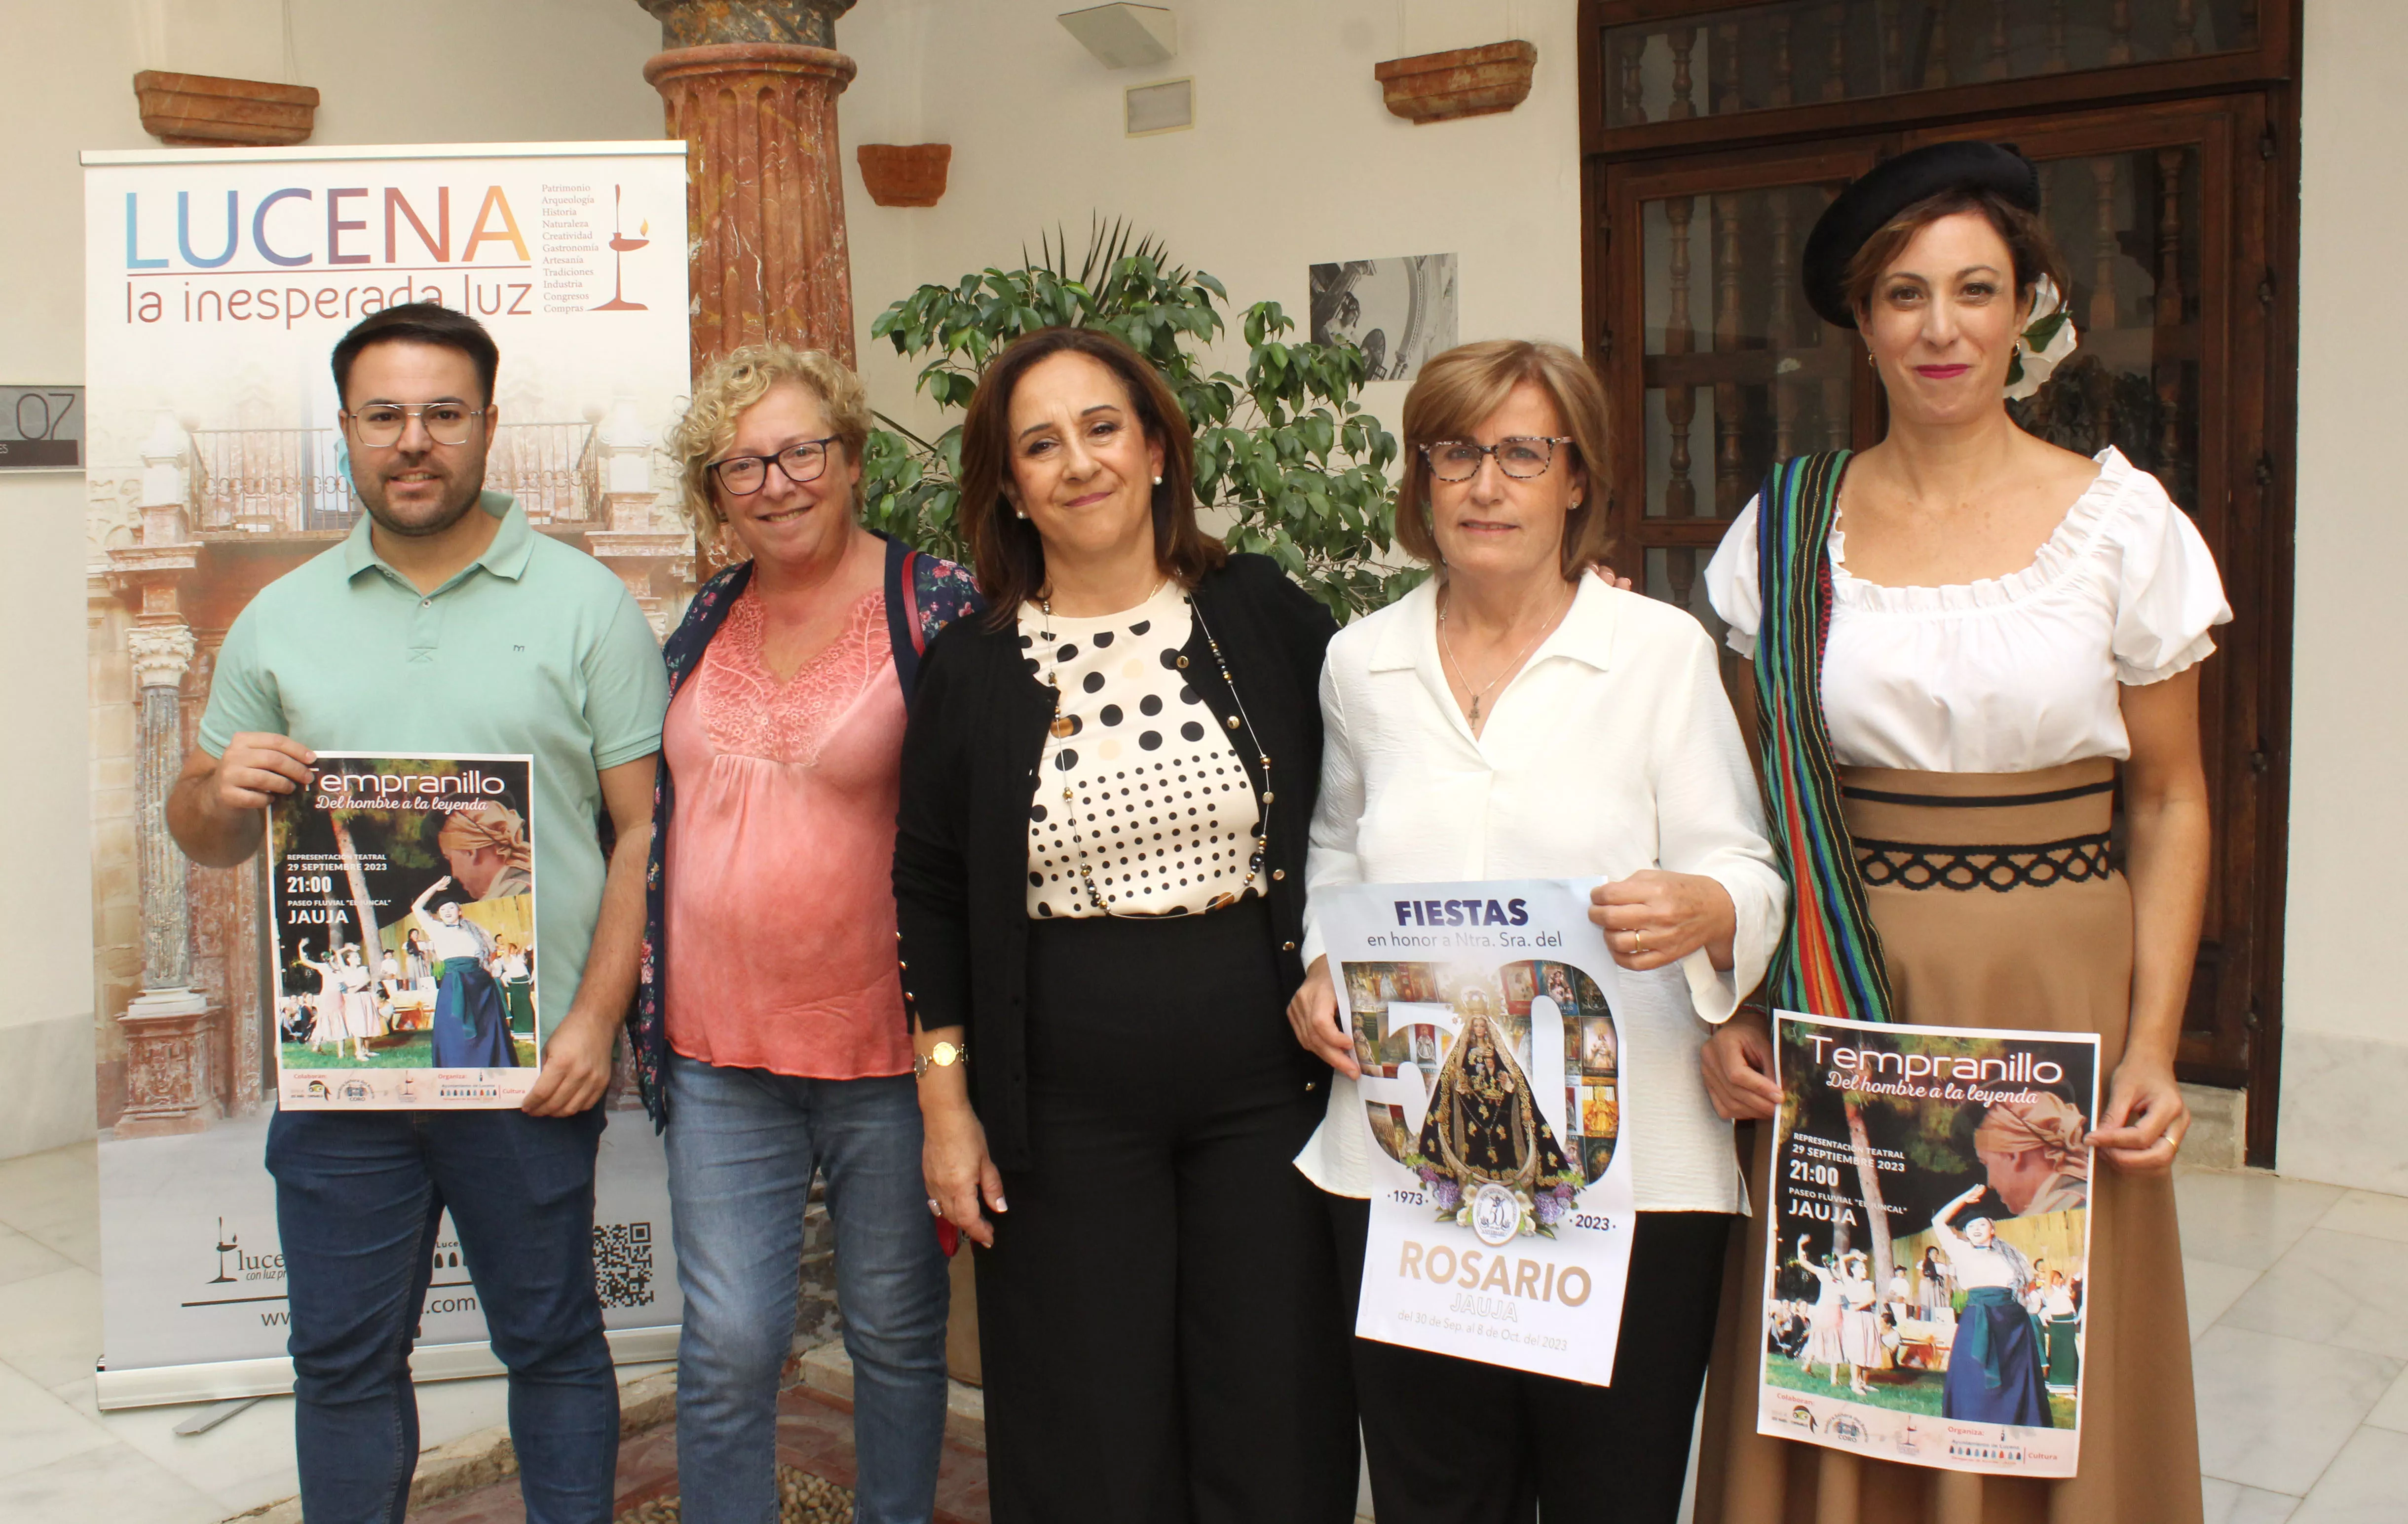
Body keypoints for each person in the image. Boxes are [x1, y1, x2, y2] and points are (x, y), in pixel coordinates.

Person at [1693, 142, 2223, 1523]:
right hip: (1847, 974)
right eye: (1906, 296)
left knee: (2035, 1312)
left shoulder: (2118, 525)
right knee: (1864, 1315)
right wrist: (1742, 1000)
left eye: (1976, 291)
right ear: (1862, 325)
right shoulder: (1789, 527)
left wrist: (2156, 1043)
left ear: (2028, 309)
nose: (1942, 329)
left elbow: (2168, 798)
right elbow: (1763, 794)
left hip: (2056, 979)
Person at [166, 302, 666, 1524]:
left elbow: (645, 829)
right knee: (340, 1365)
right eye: (384, 415)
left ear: (488, 426)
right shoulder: (279, 616)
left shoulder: (587, 603)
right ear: (345, 431)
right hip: (344, 1082)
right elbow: (205, 827)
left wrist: (596, 1024)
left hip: (525, 1067)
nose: (415, 441)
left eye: (444, 413)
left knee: (551, 1345)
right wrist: (215, 788)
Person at [1284, 339, 1786, 1524]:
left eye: (1522, 451)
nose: (1484, 483)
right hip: (1414, 1166)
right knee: (1433, 1488)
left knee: (1608, 1487)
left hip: (1627, 1168)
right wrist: (1319, 962)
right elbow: (1337, 849)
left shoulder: (1655, 653)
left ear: (1576, 480)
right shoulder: (1362, 664)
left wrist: (1708, 909)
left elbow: (1744, 866)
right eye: (1454, 451)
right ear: (1420, 479)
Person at [894, 326, 1356, 1524]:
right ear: (1008, 485)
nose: (1078, 462)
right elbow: (932, 891)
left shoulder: (1259, 611)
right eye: (1038, 445)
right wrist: (946, 1103)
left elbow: (1397, 714)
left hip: (1269, 1084)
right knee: (1088, 1421)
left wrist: (1570, 598)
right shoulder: (972, 669)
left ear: (1156, 448)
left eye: (1102, 429)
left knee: (1273, 1394)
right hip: (1059, 1101)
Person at [627, 343, 981, 1524]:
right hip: (717, 1048)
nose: (776, 483)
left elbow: (979, 833)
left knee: (891, 1331)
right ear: (713, 490)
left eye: (799, 452)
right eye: (742, 467)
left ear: (849, 456)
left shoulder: (935, 610)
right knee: (728, 1342)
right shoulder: (706, 617)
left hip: (887, 1056)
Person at [1928, 1187, 2049, 1427]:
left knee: (2012, 1376)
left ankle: (2016, 1421)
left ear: (1992, 1229)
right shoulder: (1961, 1251)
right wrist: (1963, 1199)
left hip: (2012, 1324)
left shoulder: (2012, 1255)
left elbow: (2027, 1287)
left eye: (1981, 1225)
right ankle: (1973, 1421)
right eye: (1970, 1227)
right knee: (1975, 1373)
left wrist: (2030, 1305)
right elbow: (1938, 1221)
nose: (1975, 1230)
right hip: (1978, 1318)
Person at [414, 878, 514, 1069]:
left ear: (460, 911)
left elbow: (488, 953)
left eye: (451, 908)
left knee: (485, 1026)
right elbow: (417, 908)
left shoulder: (475, 930)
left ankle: (489, 1063)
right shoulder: (437, 929)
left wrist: (489, 970)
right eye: (442, 910)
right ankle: (458, 1065)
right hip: (455, 982)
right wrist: (435, 887)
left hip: (481, 984)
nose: (447, 912)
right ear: (439, 915)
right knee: (455, 1026)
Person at [1974, 1093, 2093, 1215]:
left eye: (1986, 1163)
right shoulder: (2089, 1195)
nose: (1990, 1183)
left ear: (2014, 1156)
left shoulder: (2064, 1209)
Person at [2041, 1270, 2081, 1392]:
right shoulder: (2050, 1292)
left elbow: (2069, 1278)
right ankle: (2060, 1386)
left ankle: (2069, 1383)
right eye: (2059, 1279)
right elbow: (2048, 1281)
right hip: (2060, 1327)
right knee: (2061, 1355)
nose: (2062, 1281)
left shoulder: (2062, 1291)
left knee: (2070, 1355)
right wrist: (2047, 1261)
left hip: (2068, 1326)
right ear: (2053, 1281)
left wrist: (2073, 1265)